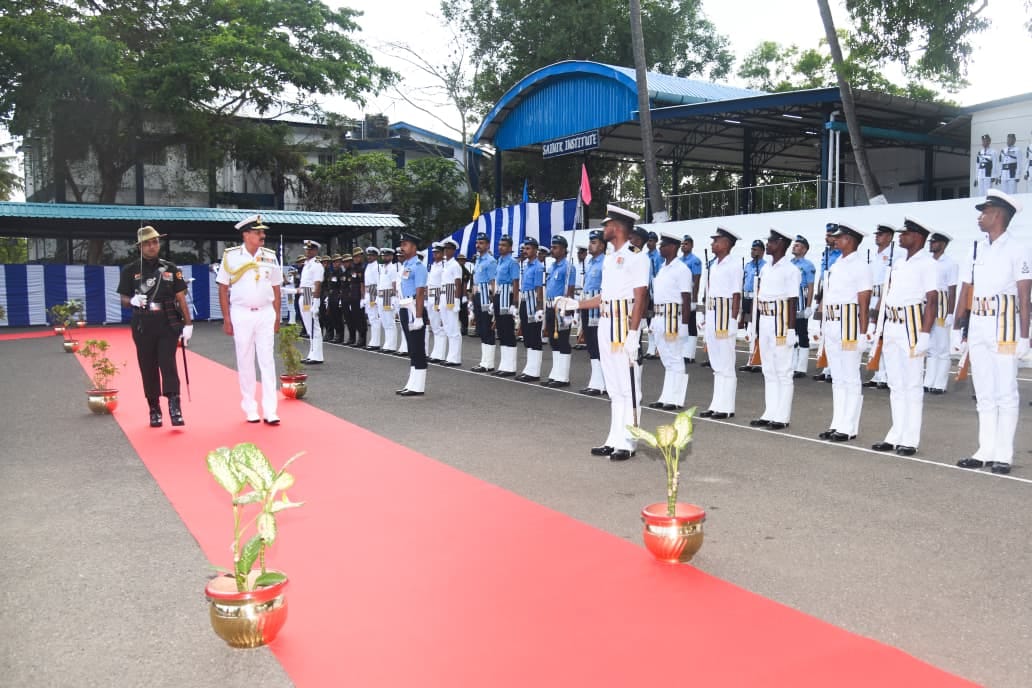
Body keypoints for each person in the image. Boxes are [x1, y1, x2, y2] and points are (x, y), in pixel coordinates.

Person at [556, 205, 649, 461]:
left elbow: (641, 297)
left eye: (606, 225)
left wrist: (634, 334)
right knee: (614, 388)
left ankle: (628, 441)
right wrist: (577, 304)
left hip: (623, 326)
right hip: (606, 324)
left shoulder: (637, 257)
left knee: (629, 387)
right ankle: (614, 438)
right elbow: (604, 296)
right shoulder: (609, 258)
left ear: (617, 227)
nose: (604, 229)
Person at [954, 190, 1029, 475]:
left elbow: (1025, 295)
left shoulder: (1017, 249)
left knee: (1005, 391)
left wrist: (1025, 335)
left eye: (984, 212)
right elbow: (966, 290)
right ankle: (985, 449)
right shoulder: (976, 249)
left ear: (997, 215)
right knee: (984, 390)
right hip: (979, 323)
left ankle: (1004, 454)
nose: (979, 217)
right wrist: (958, 328)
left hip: (1005, 325)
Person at [867, 218, 937, 456]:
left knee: (912, 384)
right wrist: (877, 326)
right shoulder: (898, 263)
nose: (900, 236)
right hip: (892, 324)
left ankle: (910, 438)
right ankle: (896, 433)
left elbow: (932, 301)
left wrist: (925, 334)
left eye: (904, 233)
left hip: (912, 325)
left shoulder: (927, 263)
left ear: (917, 236)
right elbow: (887, 295)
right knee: (896, 384)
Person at [117, 225, 192, 428]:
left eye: (155, 242)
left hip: (167, 321)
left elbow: (181, 298)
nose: (152, 246)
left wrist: (188, 324)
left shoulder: (170, 268)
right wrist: (132, 300)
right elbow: (123, 299)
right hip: (143, 322)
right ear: (140, 247)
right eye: (148, 243)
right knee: (147, 366)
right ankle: (154, 408)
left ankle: (175, 408)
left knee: (168, 364)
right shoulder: (130, 270)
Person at [214, 215, 283, 423]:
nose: (263, 236)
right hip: (241, 313)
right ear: (246, 235)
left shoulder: (270, 256)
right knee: (245, 360)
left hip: (265, 313)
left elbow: (276, 288)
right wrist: (226, 318)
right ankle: (250, 408)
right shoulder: (231, 256)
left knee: (267, 360)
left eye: (263, 232)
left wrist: (277, 316)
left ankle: (270, 410)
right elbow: (223, 288)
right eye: (258, 232)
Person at [817, 223, 873, 443]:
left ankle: (849, 427)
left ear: (849, 240)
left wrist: (863, 333)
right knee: (838, 378)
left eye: (839, 237)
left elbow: (864, 301)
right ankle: (837, 423)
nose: (835, 240)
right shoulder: (838, 263)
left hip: (849, 325)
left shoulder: (860, 266)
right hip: (832, 323)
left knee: (850, 378)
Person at [747, 229, 801, 430]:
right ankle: (770, 412)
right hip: (765, 320)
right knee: (768, 369)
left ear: (781, 244)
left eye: (771, 242)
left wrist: (791, 330)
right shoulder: (765, 268)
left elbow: (792, 301)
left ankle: (782, 416)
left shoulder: (791, 270)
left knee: (783, 370)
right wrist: (754, 325)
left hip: (781, 322)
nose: (767, 245)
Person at [698, 228, 743, 419]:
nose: (712, 244)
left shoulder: (734, 265)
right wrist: (706, 318)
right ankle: (716, 404)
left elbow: (736, 295)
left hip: (725, 317)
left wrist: (733, 320)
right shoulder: (713, 265)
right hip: (713, 315)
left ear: (726, 243)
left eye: (716, 241)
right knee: (716, 365)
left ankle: (727, 407)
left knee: (726, 364)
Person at [647, 235, 692, 410]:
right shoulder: (662, 268)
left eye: (663, 245)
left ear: (673, 247)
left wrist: (685, 325)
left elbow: (686, 298)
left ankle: (676, 399)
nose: (660, 248)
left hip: (673, 318)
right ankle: (666, 396)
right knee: (666, 359)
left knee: (675, 357)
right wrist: (654, 320)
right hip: (660, 316)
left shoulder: (682, 269)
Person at [923, 231, 958, 394]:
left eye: (934, 242)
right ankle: (928, 381)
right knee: (931, 347)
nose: (931, 244)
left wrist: (950, 313)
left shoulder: (950, 263)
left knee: (942, 347)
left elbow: (952, 290)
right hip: (927, 304)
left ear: (943, 244)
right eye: (931, 242)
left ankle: (940, 384)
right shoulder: (927, 261)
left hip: (942, 306)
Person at [396, 232, 429, 396]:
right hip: (405, 306)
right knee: (411, 347)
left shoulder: (418, 267)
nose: (402, 247)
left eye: (405, 244)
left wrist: (419, 316)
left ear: (414, 247)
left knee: (417, 347)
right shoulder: (406, 265)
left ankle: (419, 385)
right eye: (401, 244)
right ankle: (412, 383)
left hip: (414, 307)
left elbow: (420, 292)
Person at [863, 224, 895, 390]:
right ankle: (878, 374)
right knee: (873, 338)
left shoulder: (894, 254)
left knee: (883, 338)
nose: (877, 237)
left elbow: (890, 282)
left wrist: (880, 304)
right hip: (872, 297)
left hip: (884, 299)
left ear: (889, 237)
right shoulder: (874, 255)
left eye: (881, 234)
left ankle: (886, 376)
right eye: (877, 234)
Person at [542, 235, 576, 387]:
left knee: (562, 340)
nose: (552, 250)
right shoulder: (553, 266)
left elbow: (570, 289)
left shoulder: (568, 267)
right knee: (553, 341)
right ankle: (556, 374)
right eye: (552, 247)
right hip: (550, 306)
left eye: (555, 247)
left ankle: (563, 377)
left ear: (563, 249)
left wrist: (568, 310)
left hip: (561, 307)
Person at [811, 224, 842, 381]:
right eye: (826, 235)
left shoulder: (841, 254)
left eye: (830, 235)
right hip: (824, 290)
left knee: (834, 331)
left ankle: (834, 368)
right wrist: (818, 293)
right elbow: (822, 276)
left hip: (835, 291)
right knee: (824, 330)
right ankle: (826, 367)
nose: (826, 238)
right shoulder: (826, 253)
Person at [578, 229, 607, 395]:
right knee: (590, 344)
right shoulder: (589, 263)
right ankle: (596, 381)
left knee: (598, 344)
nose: (590, 245)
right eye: (590, 242)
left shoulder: (605, 262)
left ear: (602, 245)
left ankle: (602, 383)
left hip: (598, 308)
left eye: (594, 242)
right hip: (587, 306)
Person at [516, 237, 545, 381]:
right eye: (524, 248)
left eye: (528, 248)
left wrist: (539, 308)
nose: (525, 251)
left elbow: (539, 288)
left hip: (533, 302)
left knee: (534, 336)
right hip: (524, 300)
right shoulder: (527, 265)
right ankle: (529, 368)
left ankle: (534, 371)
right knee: (527, 335)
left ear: (535, 250)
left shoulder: (538, 266)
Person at [492, 234, 521, 377]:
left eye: (503, 245)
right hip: (499, 295)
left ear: (510, 248)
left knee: (508, 329)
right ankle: (504, 364)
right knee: (501, 330)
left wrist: (515, 303)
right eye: (499, 245)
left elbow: (516, 282)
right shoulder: (499, 261)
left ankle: (510, 366)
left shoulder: (512, 262)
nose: (500, 247)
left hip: (507, 295)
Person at [470, 232, 498, 372]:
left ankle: (489, 363)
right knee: (481, 328)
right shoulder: (478, 260)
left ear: (487, 245)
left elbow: (493, 282)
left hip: (486, 295)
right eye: (477, 243)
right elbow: (475, 281)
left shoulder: (490, 261)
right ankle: (484, 361)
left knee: (487, 328)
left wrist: (494, 301)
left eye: (481, 243)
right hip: (477, 294)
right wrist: (472, 298)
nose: (478, 245)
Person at [738, 239, 767, 373]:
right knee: (749, 329)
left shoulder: (765, 266)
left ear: (762, 251)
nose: (752, 251)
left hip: (758, 300)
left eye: (755, 249)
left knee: (759, 330)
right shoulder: (748, 265)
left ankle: (759, 361)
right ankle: (750, 360)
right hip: (747, 299)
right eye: (752, 249)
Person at [790, 235, 815, 379]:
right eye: (794, 244)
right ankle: (792, 365)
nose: (794, 247)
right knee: (791, 334)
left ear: (804, 249)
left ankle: (801, 367)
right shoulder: (790, 263)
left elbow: (810, 287)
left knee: (802, 333)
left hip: (801, 301)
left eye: (798, 245)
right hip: (790, 301)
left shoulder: (808, 265)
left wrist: (809, 306)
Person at [298, 240, 324, 364]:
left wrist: (316, 302)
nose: (307, 251)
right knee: (309, 327)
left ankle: (317, 356)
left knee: (314, 326)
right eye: (306, 249)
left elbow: (317, 284)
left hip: (310, 295)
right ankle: (312, 353)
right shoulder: (307, 264)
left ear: (315, 251)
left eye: (310, 249)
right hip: (304, 294)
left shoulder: (316, 265)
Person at [679, 235, 703, 364]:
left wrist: (694, 299)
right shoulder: (678, 260)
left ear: (692, 245)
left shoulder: (695, 260)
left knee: (691, 323)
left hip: (689, 295)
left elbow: (696, 281)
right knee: (682, 323)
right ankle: (683, 351)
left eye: (686, 244)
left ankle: (690, 354)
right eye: (682, 244)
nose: (683, 246)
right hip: (680, 296)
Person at [440, 239, 464, 366]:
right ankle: (450, 355)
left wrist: (457, 300)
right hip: (444, 294)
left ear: (454, 251)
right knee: (447, 327)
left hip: (451, 295)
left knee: (454, 327)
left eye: (449, 249)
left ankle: (455, 358)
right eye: (445, 249)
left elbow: (458, 284)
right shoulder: (445, 264)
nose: (446, 251)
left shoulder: (455, 265)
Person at [377, 246, 401, 354]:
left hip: (388, 296)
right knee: (385, 322)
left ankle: (391, 345)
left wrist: (394, 298)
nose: (384, 257)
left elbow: (394, 284)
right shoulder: (382, 268)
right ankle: (387, 343)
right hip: (381, 296)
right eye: (383, 255)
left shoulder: (392, 268)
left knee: (390, 322)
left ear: (391, 256)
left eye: (386, 255)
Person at [362, 247, 382, 350]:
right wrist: (365, 297)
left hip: (374, 291)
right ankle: (373, 340)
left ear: (376, 256)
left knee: (374, 318)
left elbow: (379, 282)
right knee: (371, 318)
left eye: (372, 255)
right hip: (368, 292)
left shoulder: (377, 267)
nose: (369, 257)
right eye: (368, 255)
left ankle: (376, 342)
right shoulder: (368, 266)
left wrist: (377, 296)